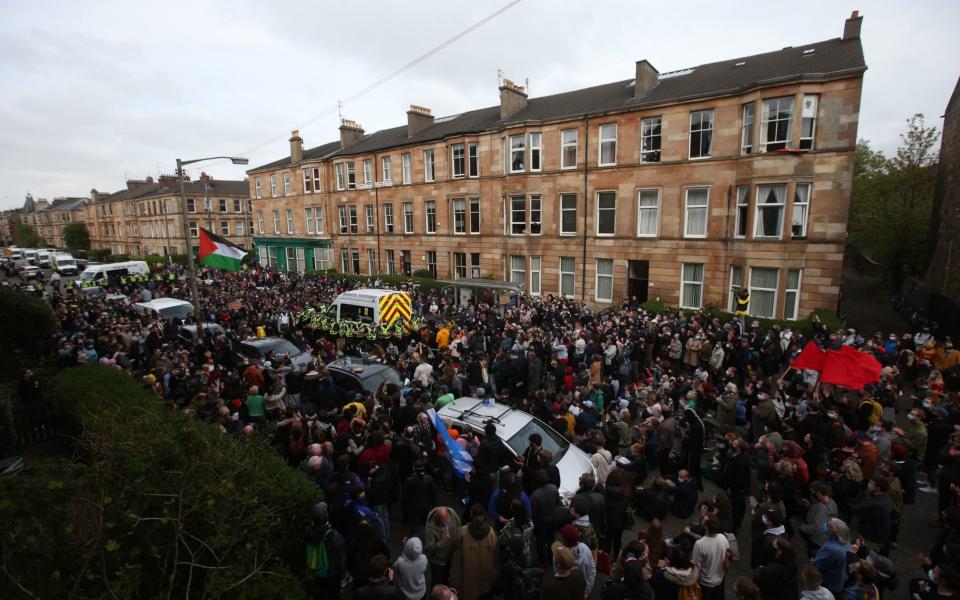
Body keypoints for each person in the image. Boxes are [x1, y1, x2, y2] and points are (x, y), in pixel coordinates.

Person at [304, 502, 346, 600]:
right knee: (333, 596)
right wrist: (343, 573)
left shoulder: (307, 532)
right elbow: (341, 557)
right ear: (326, 517)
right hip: (332, 573)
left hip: (315, 570)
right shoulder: (333, 535)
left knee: (319, 594)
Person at [455, 504, 497, 600]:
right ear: (484, 515)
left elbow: (458, 545)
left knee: (470, 588)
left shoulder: (463, 531)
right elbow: (494, 546)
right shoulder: (490, 532)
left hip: (469, 566)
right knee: (484, 588)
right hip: (485, 566)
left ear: (471, 515)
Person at [553, 524, 597, 597]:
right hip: (581, 589)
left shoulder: (558, 553)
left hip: (563, 591)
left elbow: (556, 572)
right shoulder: (585, 549)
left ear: (563, 539)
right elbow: (591, 570)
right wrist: (587, 591)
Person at [692, 517, 730, 600]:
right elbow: (725, 557)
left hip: (705, 583)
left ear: (706, 527)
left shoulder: (700, 544)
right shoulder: (723, 538)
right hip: (720, 580)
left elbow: (695, 565)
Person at [812, 518, 851, 597]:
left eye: (828, 525)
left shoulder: (831, 550)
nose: (825, 525)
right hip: (840, 578)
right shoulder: (845, 541)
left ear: (834, 532)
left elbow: (817, 565)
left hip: (830, 584)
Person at [798, 481, 839, 555]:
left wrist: (802, 527)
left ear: (819, 493)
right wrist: (810, 506)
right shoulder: (831, 502)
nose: (812, 495)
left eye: (814, 493)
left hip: (817, 540)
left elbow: (817, 528)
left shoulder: (822, 508)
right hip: (825, 538)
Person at [423, 507, 460, 587]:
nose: (445, 524)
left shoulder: (452, 514)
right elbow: (429, 549)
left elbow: (458, 524)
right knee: (437, 582)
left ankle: (445, 583)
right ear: (436, 518)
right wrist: (442, 542)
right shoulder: (430, 528)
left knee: (446, 573)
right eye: (442, 523)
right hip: (437, 561)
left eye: (447, 521)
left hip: (448, 556)